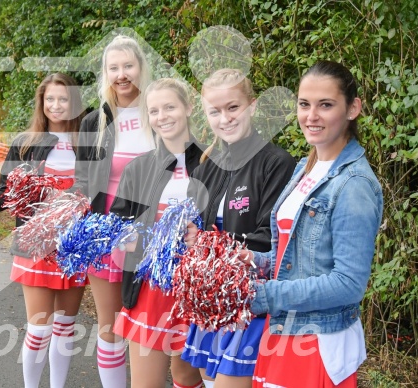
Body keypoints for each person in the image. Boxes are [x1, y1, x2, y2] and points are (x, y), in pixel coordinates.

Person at [242, 61, 383, 387]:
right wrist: (253, 261)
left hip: (319, 341)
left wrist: (265, 295)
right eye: (304, 104)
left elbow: (349, 283)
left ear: (353, 108)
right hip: (283, 331)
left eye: (326, 105)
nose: (311, 115)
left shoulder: (354, 184)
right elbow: (293, 260)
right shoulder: (306, 167)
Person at [0, 73, 86, 388]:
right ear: (41, 103)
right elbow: (4, 195)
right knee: (39, 330)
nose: (56, 105)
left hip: (74, 248)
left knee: (66, 328)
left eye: (63, 98)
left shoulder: (88, 146)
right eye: (49, 99)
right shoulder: (25, 144)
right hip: (34, 247)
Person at [180, 69, 296, 388]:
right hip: (211, 299)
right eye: (215, 111)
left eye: (233, 107)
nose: (225, 118)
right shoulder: (206, 168)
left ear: (252, 106)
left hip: (249, 301)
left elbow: (268, 238)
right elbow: (192, 230)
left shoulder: (277, 163)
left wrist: (212, 252)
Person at [110, 78, 205, 388]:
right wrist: (124, 237)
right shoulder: (138, 168)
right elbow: (119, 225)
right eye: (154, 110)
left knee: (186, 379)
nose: (162, 116)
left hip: (195, 289)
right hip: (150, 289)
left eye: (170, 107)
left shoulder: (212, 163)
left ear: (189, 108)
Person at [72, 34, 155, 388]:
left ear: (141, 69)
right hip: (105, 237)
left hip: (153, 238)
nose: (122, 75)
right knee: (110, 328)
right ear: (105, 74)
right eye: (113, 68)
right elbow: (82, 181)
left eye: (128, 66)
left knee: (149, 331)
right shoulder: (95, 122)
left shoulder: (159, 113)